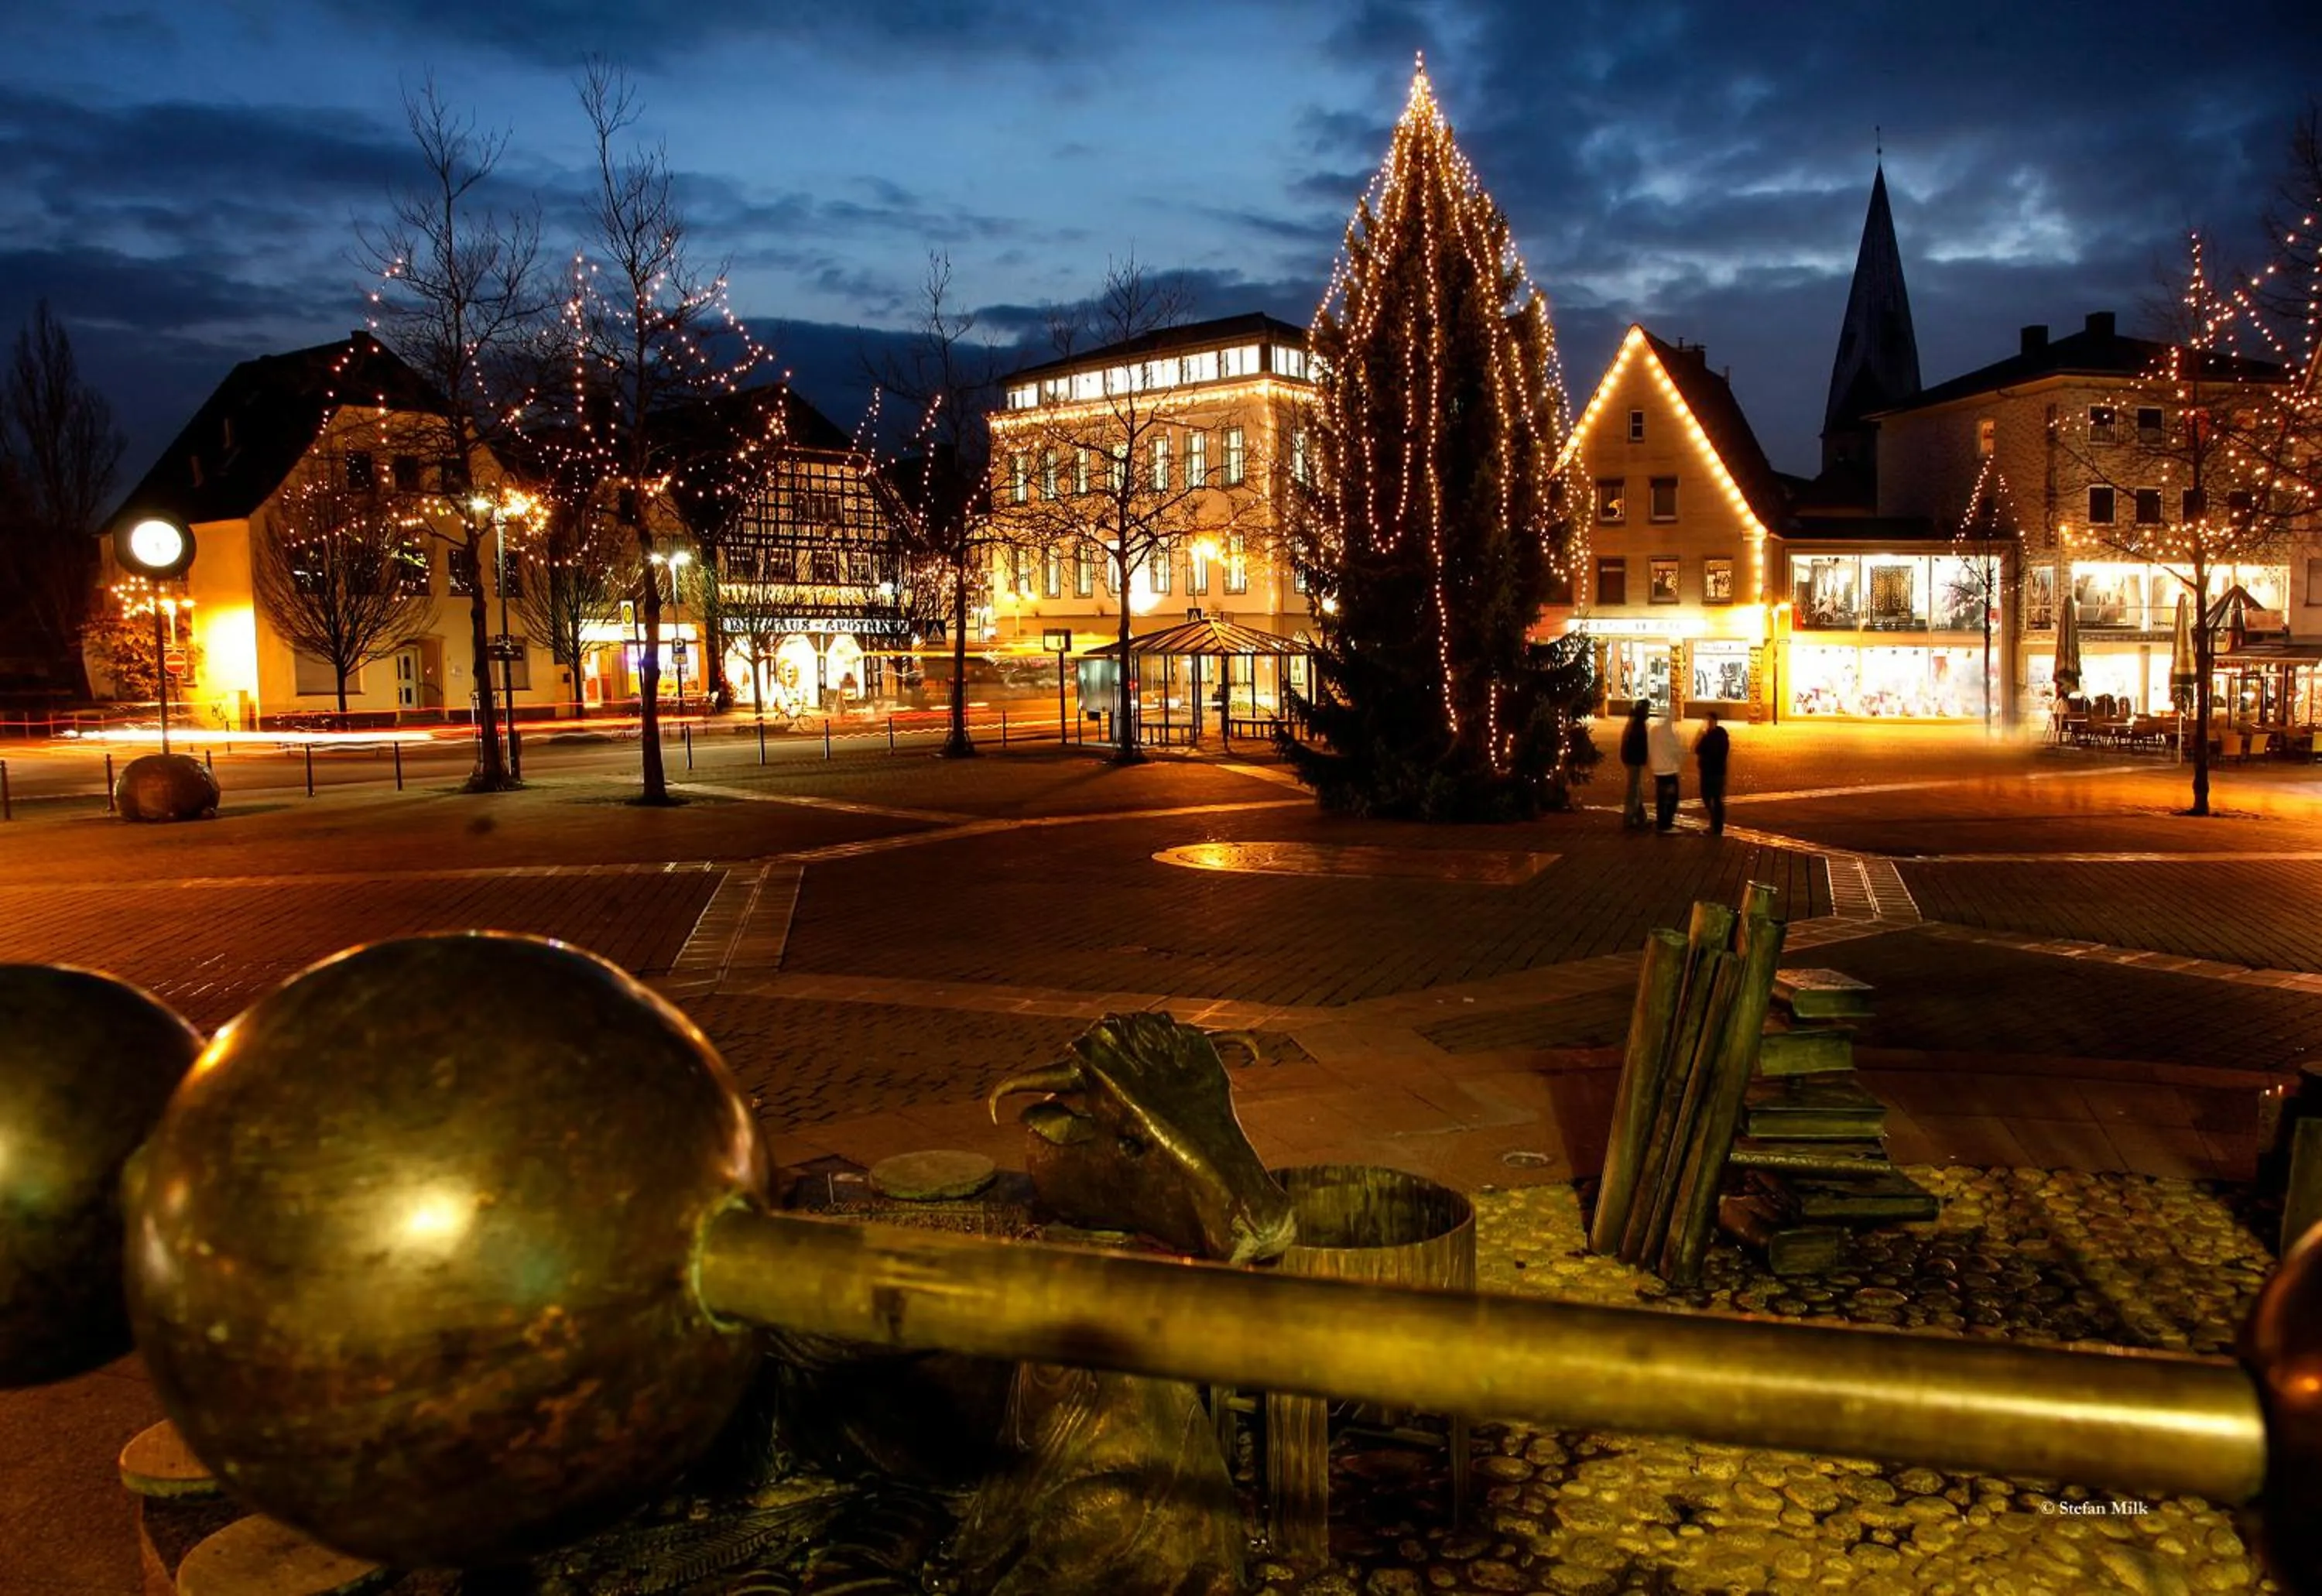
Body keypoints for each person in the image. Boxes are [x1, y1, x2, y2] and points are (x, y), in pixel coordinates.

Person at [1694, 711, 1731, 837]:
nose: (1708, 724)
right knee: (1708, 797)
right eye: (1706, 721)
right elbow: (1697, 749)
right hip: (1708, 771)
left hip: (1715, 772)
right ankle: (1715, 824)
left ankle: (1716, 826)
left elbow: (1710, 751)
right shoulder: (1707, 735)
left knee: (1715, 798)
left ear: (1715, 722)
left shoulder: (1720, 736)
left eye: (1710, 721)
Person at [1647, 706, 1683, 832]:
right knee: (1672, 798)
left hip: (1657, 769)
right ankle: (1666, 823)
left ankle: (1662, 822)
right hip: (1669, 770)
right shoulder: (1671, 734)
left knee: (1661, 797)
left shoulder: (1654, 730)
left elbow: (1650, 748)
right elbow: (1677, 752)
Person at [1618, 699, 1650, 829]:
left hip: (1633, 759)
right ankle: (1630, 817)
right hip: (1634, 760)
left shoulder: (1635, 722)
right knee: (1634, 788)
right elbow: (1637, 744)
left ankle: (1640, 815)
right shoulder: (1637, 724)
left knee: (1636, 788)